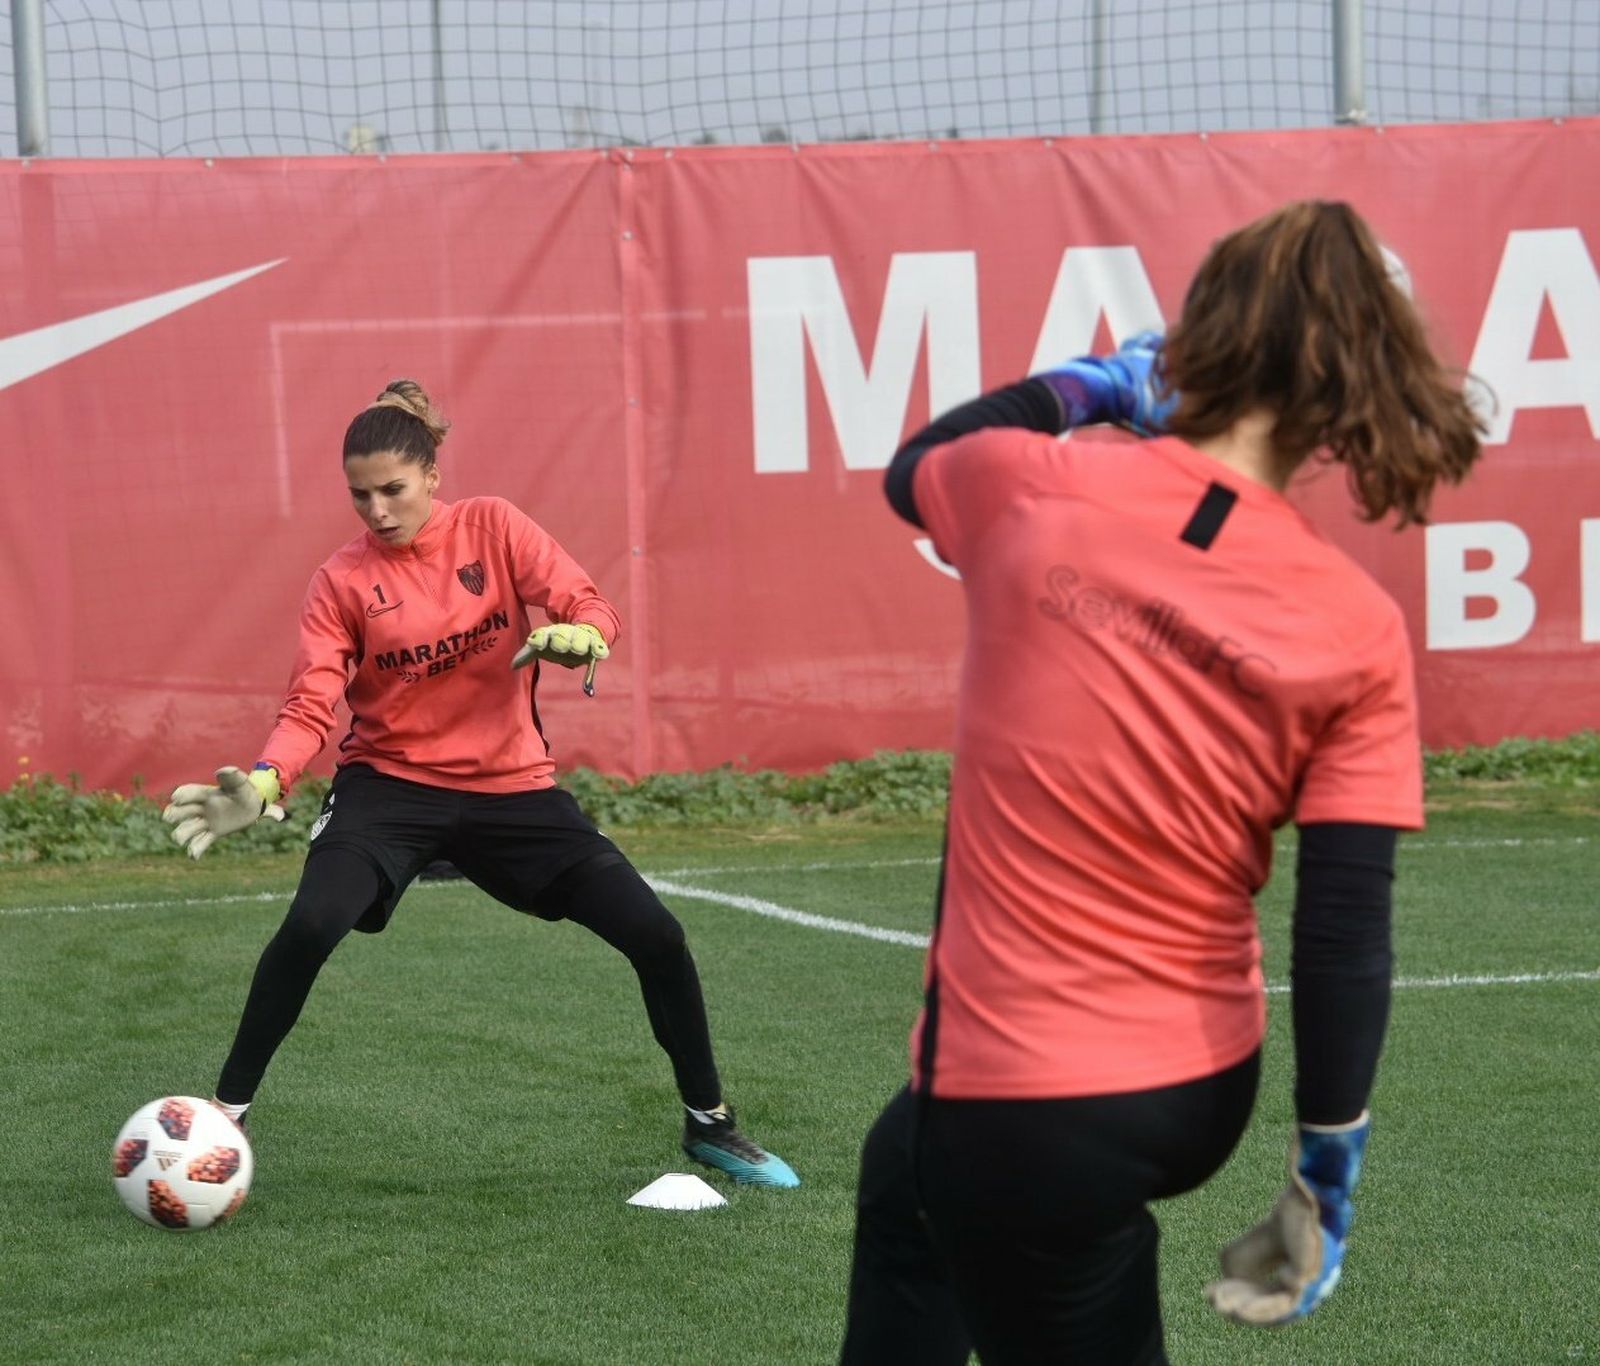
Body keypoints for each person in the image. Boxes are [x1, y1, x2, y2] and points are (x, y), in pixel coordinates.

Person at [839, 200, 1485, 1363]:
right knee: (903, 1184)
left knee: (966, 1185)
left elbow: (914, 468)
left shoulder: (1026, 487)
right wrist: (1321, 1176)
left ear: (1191, 344)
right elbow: (1343, 924)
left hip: (1027, 1098)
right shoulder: (1357, 622)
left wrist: (1098, 385)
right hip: (1195, 1085)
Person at [161, 379, 799, 1189]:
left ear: (431, 474)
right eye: (360, 495)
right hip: (388, 787)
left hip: (513, 789)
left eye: (393, 489)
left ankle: (710, 1125)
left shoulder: (493, 525)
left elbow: (589, 603)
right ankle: (222, 1120)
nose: (378, 510)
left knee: (657, 934)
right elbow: (312, 699)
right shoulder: (341, 580)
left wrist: (582, 636)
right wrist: (264, 778)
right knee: (313, 922)